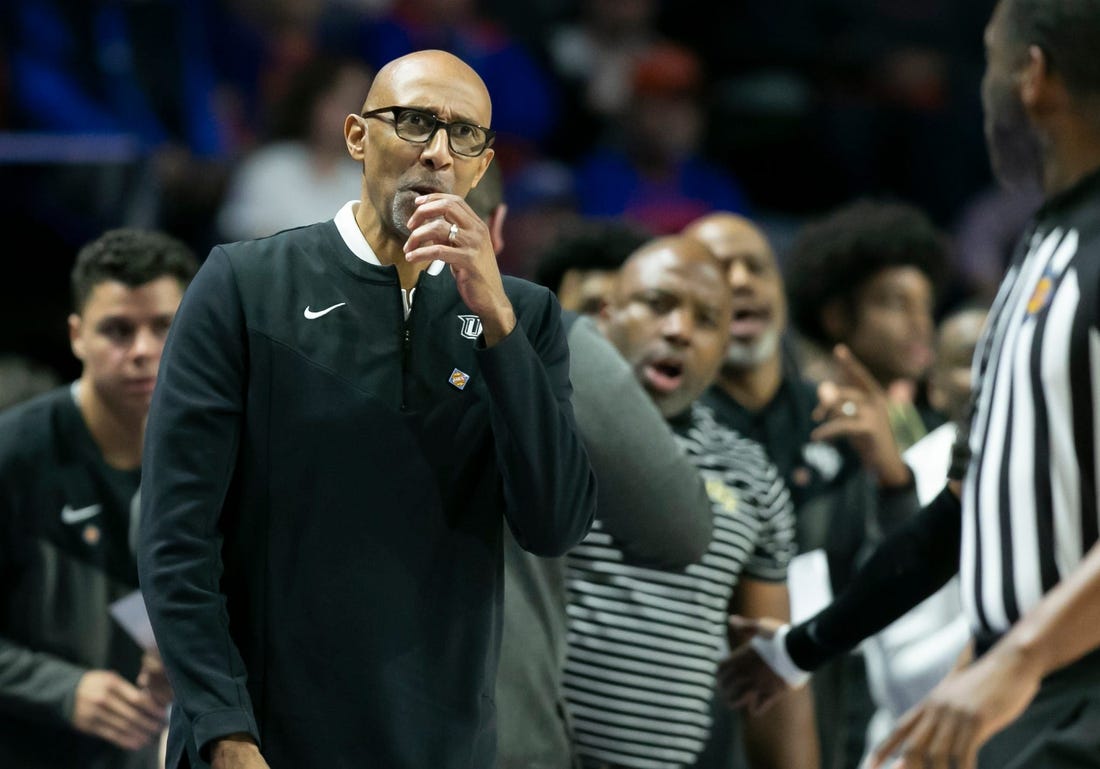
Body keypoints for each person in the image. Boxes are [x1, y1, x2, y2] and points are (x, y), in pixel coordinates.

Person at [136, 49, 598, 769]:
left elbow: (554, 523)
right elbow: (175, 539)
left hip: (441, 748)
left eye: (464, 136)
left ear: (482, 165)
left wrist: (498, 327)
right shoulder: (243, 285)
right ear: (357, 137)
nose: (438, 153)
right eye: (415, 122)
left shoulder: (526, 319)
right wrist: (225, 731)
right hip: (266, 744)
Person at [720, 1, 1100, 766]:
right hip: (1027, 697)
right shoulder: (1038, 249)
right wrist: (803, 646)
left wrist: (1018, 658)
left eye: (990, 61)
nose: (978, 88)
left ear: (1033, 78)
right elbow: (968, 514)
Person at [467, 150, 715, 769]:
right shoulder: (552, 333)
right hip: (502, 740)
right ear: (497, 229)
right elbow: (681, 528)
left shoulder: (290, 322)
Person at [563, 235, 818, 769]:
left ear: (723, 348)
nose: (678, 331)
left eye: (706, 321)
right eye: (658, 305)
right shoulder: (548, 426)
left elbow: (769, 674)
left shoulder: (752, 476)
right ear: (606, 315)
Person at [683, 212, 917, 769]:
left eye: (757, 268)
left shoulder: (844, 423)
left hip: (837, 714)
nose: (740, 280)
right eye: (718, 268)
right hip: (702, 721)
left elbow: (903, 582)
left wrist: (892, 477)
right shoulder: (663, 430)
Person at [0, 227, 198, 769]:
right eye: (117, 330)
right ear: (75, 336)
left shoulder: (226, 449)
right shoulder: (14, 455)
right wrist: (62, 688)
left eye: (164, 326)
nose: (143, 351)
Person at [783, 199, 952, 452]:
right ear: (836, 317)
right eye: (897, 304)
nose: (921, 325)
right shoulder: (803, 422)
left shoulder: (930, 423)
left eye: (925, 307)